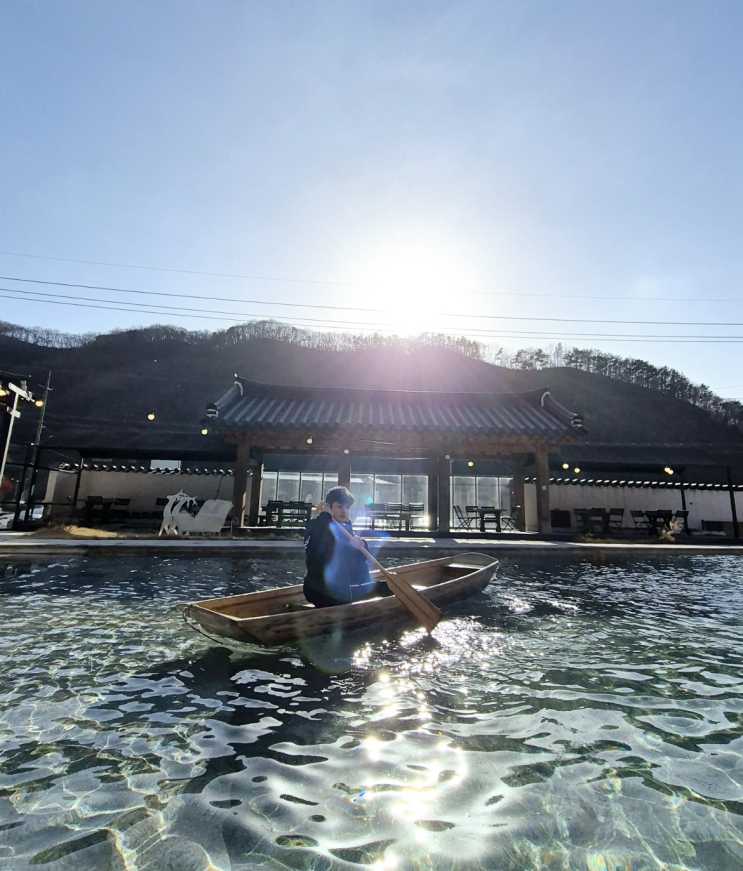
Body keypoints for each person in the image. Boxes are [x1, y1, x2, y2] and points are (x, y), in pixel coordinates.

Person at [303, 486, 390, 607]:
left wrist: (361, 545)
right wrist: (324, 517)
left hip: (342, 590)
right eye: (339, 506)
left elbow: (357, 561)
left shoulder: (345, 528)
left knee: (387, 587)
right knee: (387, 589)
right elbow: (315, 550)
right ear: (328, 507)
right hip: (323, 591)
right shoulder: (317, 526)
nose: (344, 511)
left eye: (347, 507)